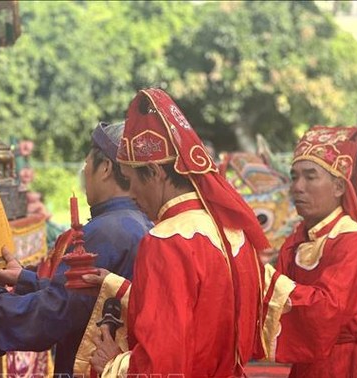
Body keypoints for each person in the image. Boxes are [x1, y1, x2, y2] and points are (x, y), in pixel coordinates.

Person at [85, 88, 268, 376]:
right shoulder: (229, 229)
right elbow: (203, 312)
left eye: (131, 179)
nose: (131, 193)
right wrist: (119, 287)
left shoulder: (166, 241)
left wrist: (115, 364)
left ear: (156, 172)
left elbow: (163, 361)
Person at [0, 121, 152, 376]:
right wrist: (25, 278)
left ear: (105, 168)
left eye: (86, 165)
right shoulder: (135, 220)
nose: (84, 173)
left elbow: (53, 315)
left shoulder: (109, 231)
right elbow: (87, 300)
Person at [261, 125, 357, 377]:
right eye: (294, 176)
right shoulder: (297, 240)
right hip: (311, 362)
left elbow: (325, 310)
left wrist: (261, 276)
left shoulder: (353, 242)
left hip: (348, 364)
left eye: (310, 177)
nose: (298, 186)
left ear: (339, 188)